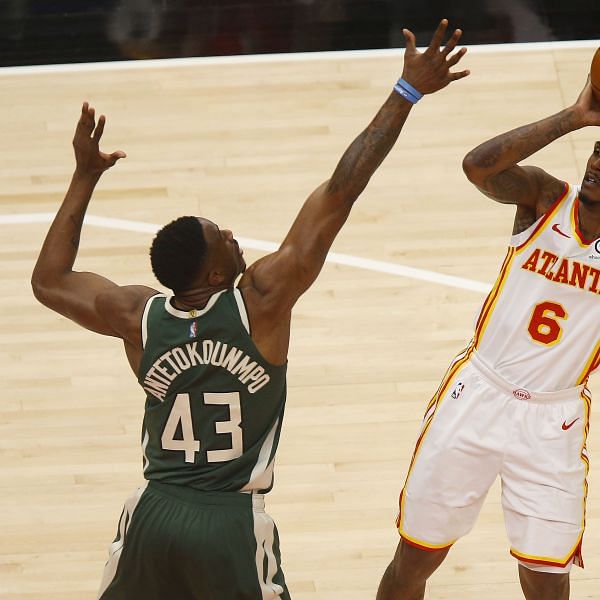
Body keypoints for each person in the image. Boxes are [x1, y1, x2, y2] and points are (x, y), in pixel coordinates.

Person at [30, 19, 468, 600]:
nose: (233, 233)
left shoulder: (138, 316)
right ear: (215, 274)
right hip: (229, 523)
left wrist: (84, 177)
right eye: (222, 237)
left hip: (152, 513)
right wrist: (405, 92)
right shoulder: (260, 301)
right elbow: (341, 190)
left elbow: (49, 280)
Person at [377, 46, 600, 599]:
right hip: (478, 395)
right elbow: (478, 166)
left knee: (545, 580)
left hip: (551, 421)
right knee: (415, 558)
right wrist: (573, 117)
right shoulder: (545, 199)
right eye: (596, 152)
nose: (595, 163)